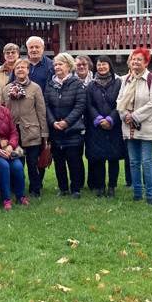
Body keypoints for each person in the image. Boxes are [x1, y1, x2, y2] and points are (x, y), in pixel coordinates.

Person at [118, 47, 152, 205]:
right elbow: (119, 101)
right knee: (133, 162)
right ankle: (137, 194)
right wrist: (124, 115)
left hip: (146, 126)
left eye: (139, 59)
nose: (135, 62)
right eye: (133, 59)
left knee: (146, 161)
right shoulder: (125, 80)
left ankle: (150, 196)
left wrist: (134, 116)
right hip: (128, 126)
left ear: (146, 62)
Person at [43, 53, 87, 198]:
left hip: (73, 129)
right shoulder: (50, 84)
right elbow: (46, 105)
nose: (57, 67)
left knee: (74, 161)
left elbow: (80, 105)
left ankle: (76, 189)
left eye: (60, 64)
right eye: (55, 65)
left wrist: (66, 122)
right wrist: (52, 122)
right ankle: (63, 188)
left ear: (68, 66)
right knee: (59, 162)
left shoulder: (77, 83)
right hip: (55, 129)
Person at [5, 58, 48, 200]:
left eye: (23, 67)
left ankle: (35, 189)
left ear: (28, 70)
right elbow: (3, 111)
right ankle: (18, 189)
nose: (20, 70)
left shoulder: (35, 88)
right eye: (17, 68)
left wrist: (44, 133)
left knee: (32, 163)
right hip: (14, 133)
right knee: (17, 163)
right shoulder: (6, 89)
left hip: (31, 131)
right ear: (14, 71)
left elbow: (41, 111)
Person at [85, 56, 126, 197]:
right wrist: (98, 119)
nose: (101, 67)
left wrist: (110, 119)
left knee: (113, 158)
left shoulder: (119, 83)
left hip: (113, 126)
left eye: (104, 64)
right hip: (96, 127)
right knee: (99, 158)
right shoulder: (91, 85)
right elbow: (88, 105)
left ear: (110, 65)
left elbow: (120, 103)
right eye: (99, 64)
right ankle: (100, 186)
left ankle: (112, 186)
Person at [0, 85, 26, 210]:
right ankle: (6, 199)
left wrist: (11, 146)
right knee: (4, 165)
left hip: (8, 149)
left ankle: (21, 196)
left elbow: (13, 132)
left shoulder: (5, 111)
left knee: (18, 166)